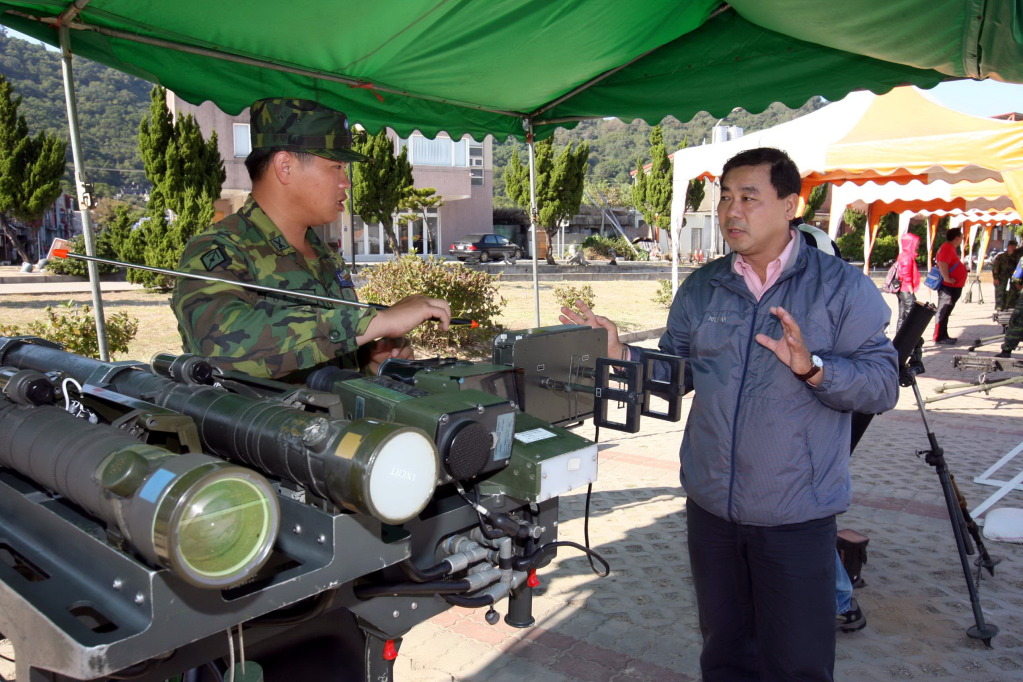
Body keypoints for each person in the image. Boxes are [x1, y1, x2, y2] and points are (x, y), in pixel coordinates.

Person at [560, 147, 898, 681]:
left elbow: (882, 385)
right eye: (724, 198)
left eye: (748, 197)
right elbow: (678, 371)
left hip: (796, 514)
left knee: (797, 664)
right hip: (712, 510)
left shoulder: (839, 286)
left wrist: (814, 369)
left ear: (790, 205)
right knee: (723, 654)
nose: (731, 211)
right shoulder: (704, 286)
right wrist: (623, 353)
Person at [172, 98, 451, 382]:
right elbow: (219, 348)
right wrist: (376, 322)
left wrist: (370, 360)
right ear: (285, 166)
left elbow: (330, 359)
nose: (346, 182)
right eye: (336, 167)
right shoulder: (221, 248)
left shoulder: (324, 255)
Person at [932, 227, 967, 345]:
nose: (962, 239)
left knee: (946, 311)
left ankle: (943, 335)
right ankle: (939, 336)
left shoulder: (950, 248)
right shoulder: (947, 248)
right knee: (943, 310)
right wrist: (947, 278)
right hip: (948, 287)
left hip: (952, 286)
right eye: (961, 237)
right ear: (956, 238)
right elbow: (942, 263)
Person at [895, 232, 922, 333]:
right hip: (906, 289)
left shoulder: (903, 255)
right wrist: (911, 291)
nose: (917, 246)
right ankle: (910, 337)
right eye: (916, 244)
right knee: (911, 316)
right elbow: (907, 275)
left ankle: (899, 337)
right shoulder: (907, 257)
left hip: (901, 289)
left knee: (902, 315)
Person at [991, 240, 1019, 311]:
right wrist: (995, 278)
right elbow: (995, 268)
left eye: (1014, 247)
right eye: (1012, 247)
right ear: (1008, 247)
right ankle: (999, 306)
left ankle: (1010, 305)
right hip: (1001, 277)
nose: (1013, 248)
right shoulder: (1001, 256)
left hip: (1012, 277)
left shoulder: (1015, 257)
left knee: (1013, 291)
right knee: (1000, 291)